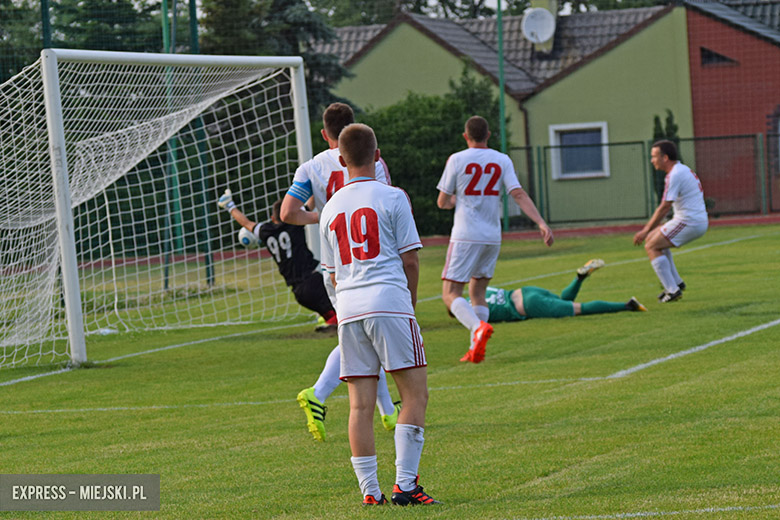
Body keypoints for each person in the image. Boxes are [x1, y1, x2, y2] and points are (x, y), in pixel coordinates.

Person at [320, 123, 439, 506]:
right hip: (388, 301)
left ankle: (370, 492)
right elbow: (411, 259)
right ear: (377, 154)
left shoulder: (330, 208)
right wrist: (411, 303)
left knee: (359, 405)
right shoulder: (393, 197)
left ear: (341, 160)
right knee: (414, 394)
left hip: (349, 309)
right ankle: (405, 485)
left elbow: (333, 273)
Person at [279, 102, 398, 442]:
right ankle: (318, 393)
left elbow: (289, 212)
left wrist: (325, 215)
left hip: (334, 261)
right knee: (363, 335)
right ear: (355, 128)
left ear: (324, 133)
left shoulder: (311, 167)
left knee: (362, 335)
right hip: (372, 260)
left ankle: (388, 412)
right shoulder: (373, 161)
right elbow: (385, 204)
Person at [437, 115, 554, 364]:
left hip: (466, 236)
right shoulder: (502, 159)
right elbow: (518, 194)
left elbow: (442, 201)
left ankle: (476, 329)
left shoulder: (457, 159)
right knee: (478, 291)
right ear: (488, 135)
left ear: (465, 136)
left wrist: (457, 201)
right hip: (492, 236)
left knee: (450, 293)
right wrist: (541, 222)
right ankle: (475, 349)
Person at [217, 195, 337, 331]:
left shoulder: (266, 232)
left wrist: (230, 206)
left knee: (330, 312)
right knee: (341, 305)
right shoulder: (294, 222)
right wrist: (318, 184)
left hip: (298, 292)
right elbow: (310, 204)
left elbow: (246, 223)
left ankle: (329, 320)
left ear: (273, 218)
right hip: (313, 282)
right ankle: (332, 322)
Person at [457, 259, 647, 328]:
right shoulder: (475, 295)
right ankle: (579, 278)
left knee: (577, 309)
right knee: (563, 300)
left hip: (529, 305)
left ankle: (627, 305)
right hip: (526, 291)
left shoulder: (474, 311)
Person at [633, 140, 708, 303]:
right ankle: (677, 283)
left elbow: (665, 206)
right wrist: (649, 231)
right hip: (692, 219)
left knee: (651, 245)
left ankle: (672, 290)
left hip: (689, 222)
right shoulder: (681, 170)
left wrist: (645, 229)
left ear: (665, 157)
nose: (652, 160)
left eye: (654, 156)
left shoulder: (675, 174)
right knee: (653, 239)